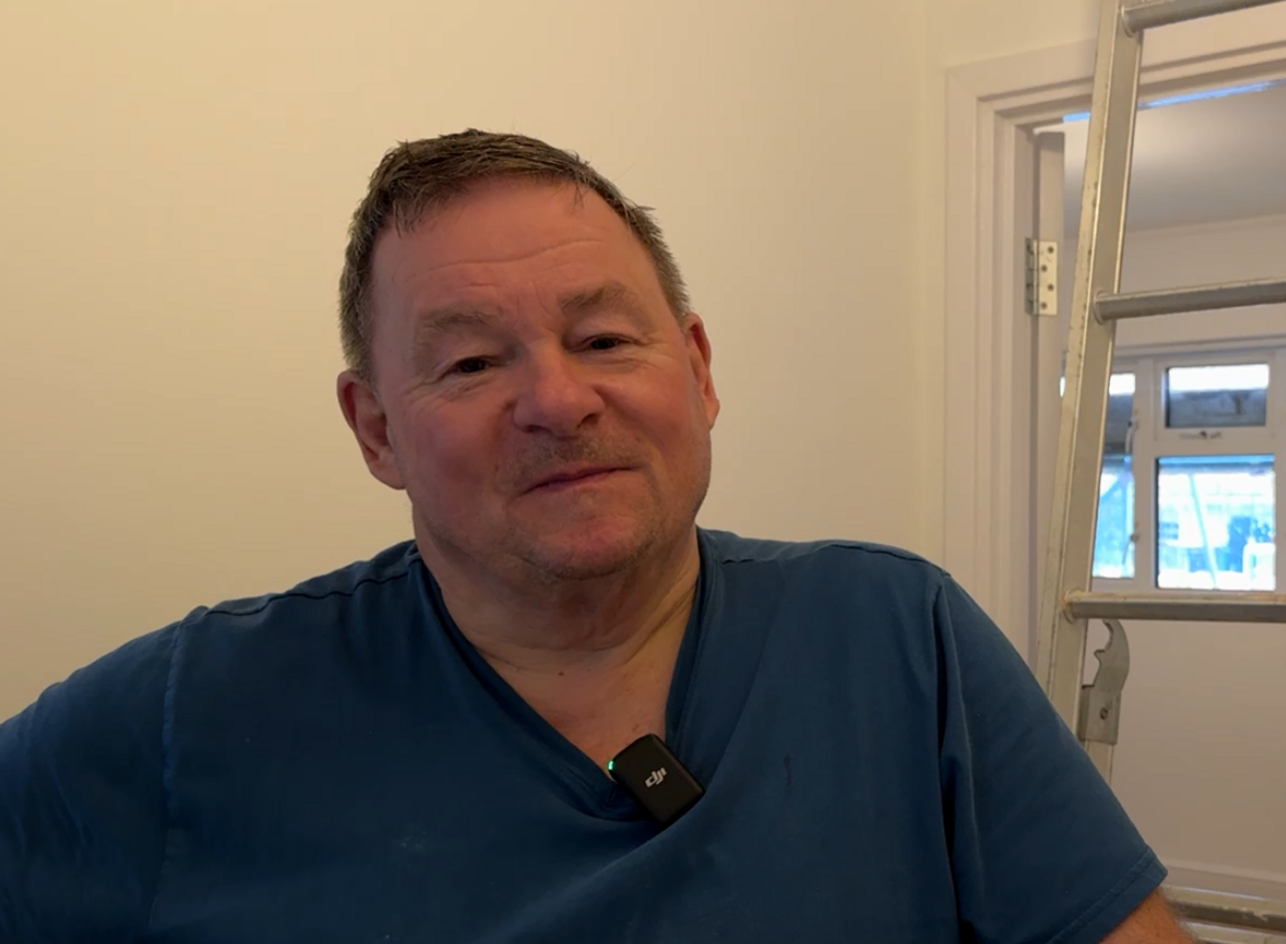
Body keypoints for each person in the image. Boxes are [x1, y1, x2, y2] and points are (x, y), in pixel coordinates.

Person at [0, 130, 1187, 943]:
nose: (558, 401)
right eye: (470, 360)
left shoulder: (898, 640)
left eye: (607, 340)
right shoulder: (194, 708)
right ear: (375, 431)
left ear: (699, 369)